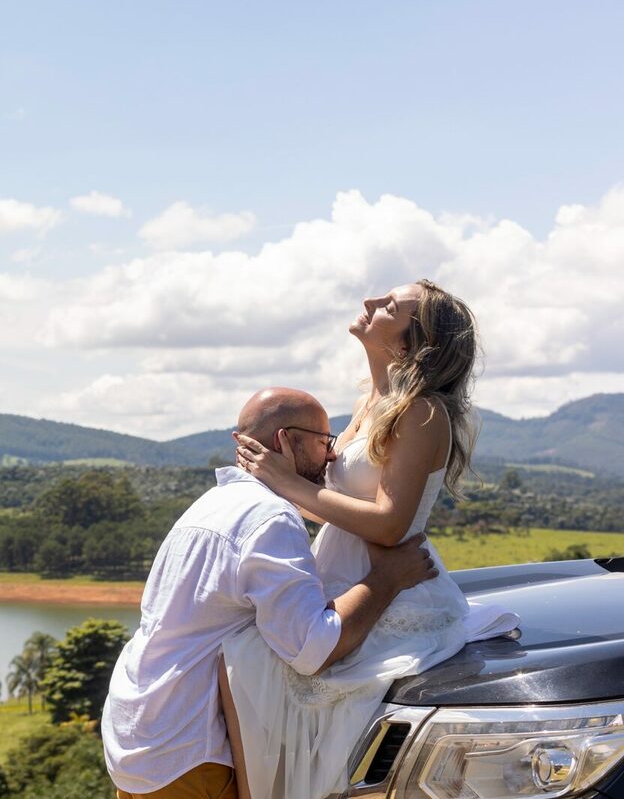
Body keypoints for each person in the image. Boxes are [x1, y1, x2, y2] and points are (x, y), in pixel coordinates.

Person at [225, 280, 518, 799]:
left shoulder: (422, 412)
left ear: (412, 342)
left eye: (390, 307)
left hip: (393, 597)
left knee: (254, 667)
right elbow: (333, 507)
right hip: (338, 579)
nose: (370, 304)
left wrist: (288, 482)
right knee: (241, 659)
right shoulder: (370, 403)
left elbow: (389, 524)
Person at [102, 386, 439, 799]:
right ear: (284, 441)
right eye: (323, 443)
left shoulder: (211, 505)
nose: (332, 456)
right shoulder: (270, 518)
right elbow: (312, 647)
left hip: (137, 733)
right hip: (188, 751)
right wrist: (387, 579)